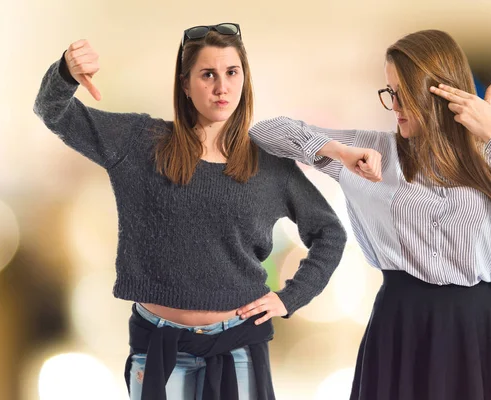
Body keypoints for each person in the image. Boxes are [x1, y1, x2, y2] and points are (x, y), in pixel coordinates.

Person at [33, 23, 347, 400]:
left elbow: (330, 232)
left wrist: (290, 297)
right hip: (160, 349)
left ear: (244, 80)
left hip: (238, 349)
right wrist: (66, 72)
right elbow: (52, 110)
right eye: (208, 74)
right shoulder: (140, 143)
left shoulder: (268, 165)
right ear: (185, 85)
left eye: (232, 73)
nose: (221, 87)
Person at [248, 29, 491, 400]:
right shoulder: (372, 150)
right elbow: (262, 133)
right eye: (389, 92)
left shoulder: (490, 157)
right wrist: (338, 152)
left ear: (439, 91)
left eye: (403, 93)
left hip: (476, 329)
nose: (394, 105)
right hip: (401, 323)